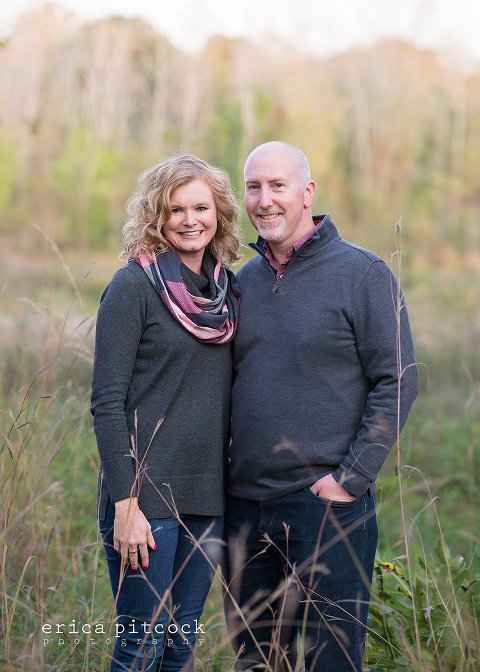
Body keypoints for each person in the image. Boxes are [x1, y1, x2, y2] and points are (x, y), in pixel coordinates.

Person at [223, 141, 419, 672]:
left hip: (325, 509)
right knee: (257, 661)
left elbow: (398, 378)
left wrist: (350, 479)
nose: (264, 200)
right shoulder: (242, 283)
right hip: (245, 509)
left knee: (330, 661)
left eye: (278, 185)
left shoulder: (362, 273)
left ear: (307, 192)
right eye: (254, 187)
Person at [90, 155, 242, 672]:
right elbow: (106, 403)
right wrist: (125, 503)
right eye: (175, 209)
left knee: (179, 648)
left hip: (207, 496)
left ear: (219, 213)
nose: (189, 220)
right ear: (156, 217)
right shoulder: (133, 287)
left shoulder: (227, 292)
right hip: (145, 499)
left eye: (201, 207)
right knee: (141, 648)